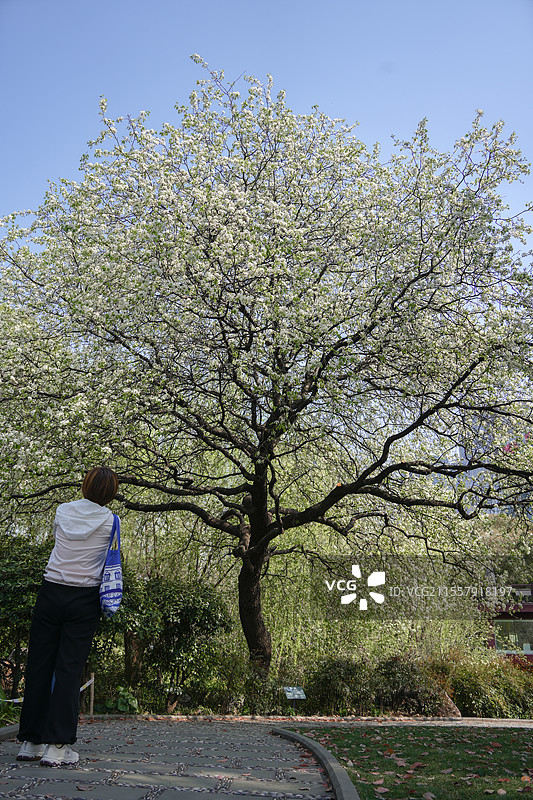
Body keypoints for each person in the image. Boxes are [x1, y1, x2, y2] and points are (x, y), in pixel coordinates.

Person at [17, 467, 120, 767]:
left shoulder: (62, 511)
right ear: (111, 493)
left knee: (38, 664)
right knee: (68, 670)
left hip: (51, 591)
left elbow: (58, 541)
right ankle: (57, 746)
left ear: (85, 485)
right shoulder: (110, 521)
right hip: (84, 598)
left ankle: (30, 741)